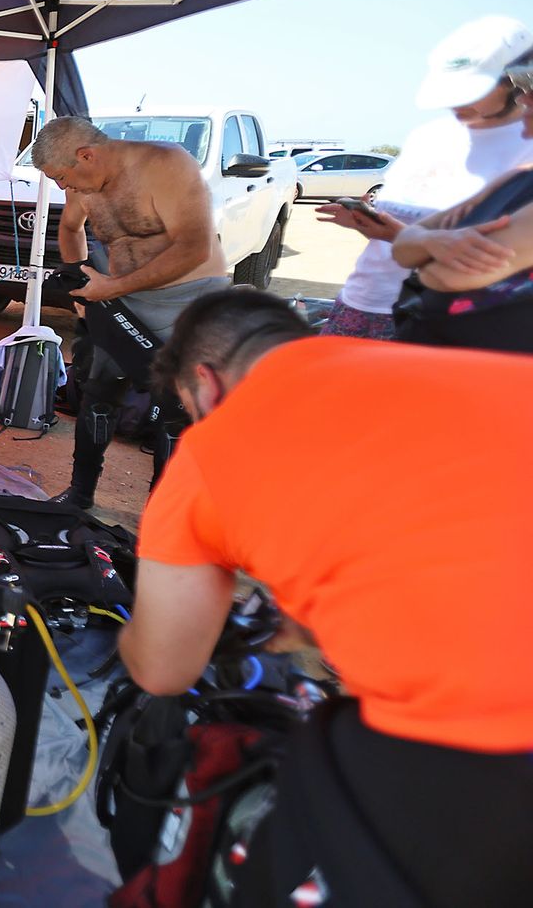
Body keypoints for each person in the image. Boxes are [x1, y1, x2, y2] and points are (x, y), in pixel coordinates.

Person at [120, 288, 533, 906]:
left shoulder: (214, 446)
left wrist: (129, 629)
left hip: (487, 760)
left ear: (206, 386)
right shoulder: (459, 366)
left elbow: (163, 668)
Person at [37, 114, 231, 509]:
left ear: (87, 155)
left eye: (62, 177)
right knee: (98, 393)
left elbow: (195, 247)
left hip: (187, 301)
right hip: (124, 296)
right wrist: (80, 279)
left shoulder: (166, 165)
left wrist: (111, 287)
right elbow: (72, 228)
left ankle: (164, 516)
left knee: (178, 412)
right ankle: (80, 493)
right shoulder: (83, 183)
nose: (63, 187)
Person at [314, 16, 533, 339]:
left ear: (514, 84)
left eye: (470, 91)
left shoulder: (525, 147)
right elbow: (414, 242)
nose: (453, 102)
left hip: (437, 317)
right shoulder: (427, 136)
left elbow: (454, 272)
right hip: (362, 298)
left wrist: (412, 239)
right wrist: (384, 228)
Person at [389, 62, 533, 353]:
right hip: (434, 358)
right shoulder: (519, 176)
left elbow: (443, 276)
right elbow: (400, 249)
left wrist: (424, 245)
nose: (523, 98)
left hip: (486, 377)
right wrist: (431, 241)